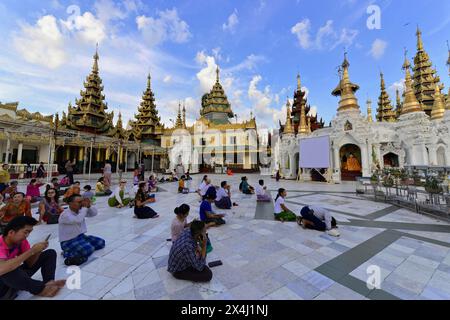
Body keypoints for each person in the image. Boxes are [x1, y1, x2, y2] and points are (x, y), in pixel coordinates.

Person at [0, 216, 66, 300]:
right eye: (25, 232)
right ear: (11, 232)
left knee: (50, 253)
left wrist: (37, 251)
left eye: (29, 233)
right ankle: (42, 289)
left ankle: (49, 282)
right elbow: (1, 269)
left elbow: (29, 264)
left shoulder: (21, 241)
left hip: (14, 281)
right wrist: (31, 251)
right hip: (2, 287)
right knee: (8, 271)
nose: (27, 236)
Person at [59, 194, 105, 266]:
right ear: (70, 203)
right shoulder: (65, 215)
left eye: (82, 201)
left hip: (81, 237)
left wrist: (89, 206)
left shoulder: (80, 211)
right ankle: (67, 252)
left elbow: (94, 213)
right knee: (88, 249)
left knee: (101, 242)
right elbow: (78, 220)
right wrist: (84, 208)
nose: (82, 204)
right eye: (79, 202)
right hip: (68, 241)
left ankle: (76, 251)